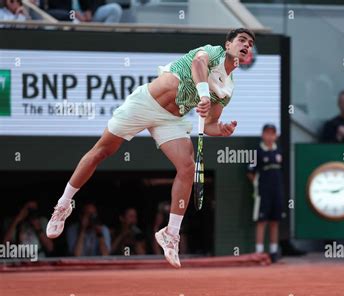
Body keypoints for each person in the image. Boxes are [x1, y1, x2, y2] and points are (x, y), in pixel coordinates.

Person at [46, 28, 255, 268]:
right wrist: (203, 94)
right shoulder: (212, 52)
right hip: (145, 103)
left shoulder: (227, 88)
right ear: (228, 45)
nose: (246, 45)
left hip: (171, 120)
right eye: (241, 40)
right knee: (102, 151)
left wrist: (222, 130)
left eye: (250, 43)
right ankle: (63, 205)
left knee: (187, 166)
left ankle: (170, 233)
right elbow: (198, 64)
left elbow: (209, 125)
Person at [247, 124, 284, 263]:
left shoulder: (279, 151)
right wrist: (257, 184)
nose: (270, 137)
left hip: (277, 191)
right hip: (263, 192)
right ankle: (259, 252)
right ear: (262, 135)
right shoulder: (257, 152)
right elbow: (250, 172)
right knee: (262, 221)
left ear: (276, 136)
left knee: (275, 220)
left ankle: (274, 252)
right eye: (267, 133)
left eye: (272, 134)